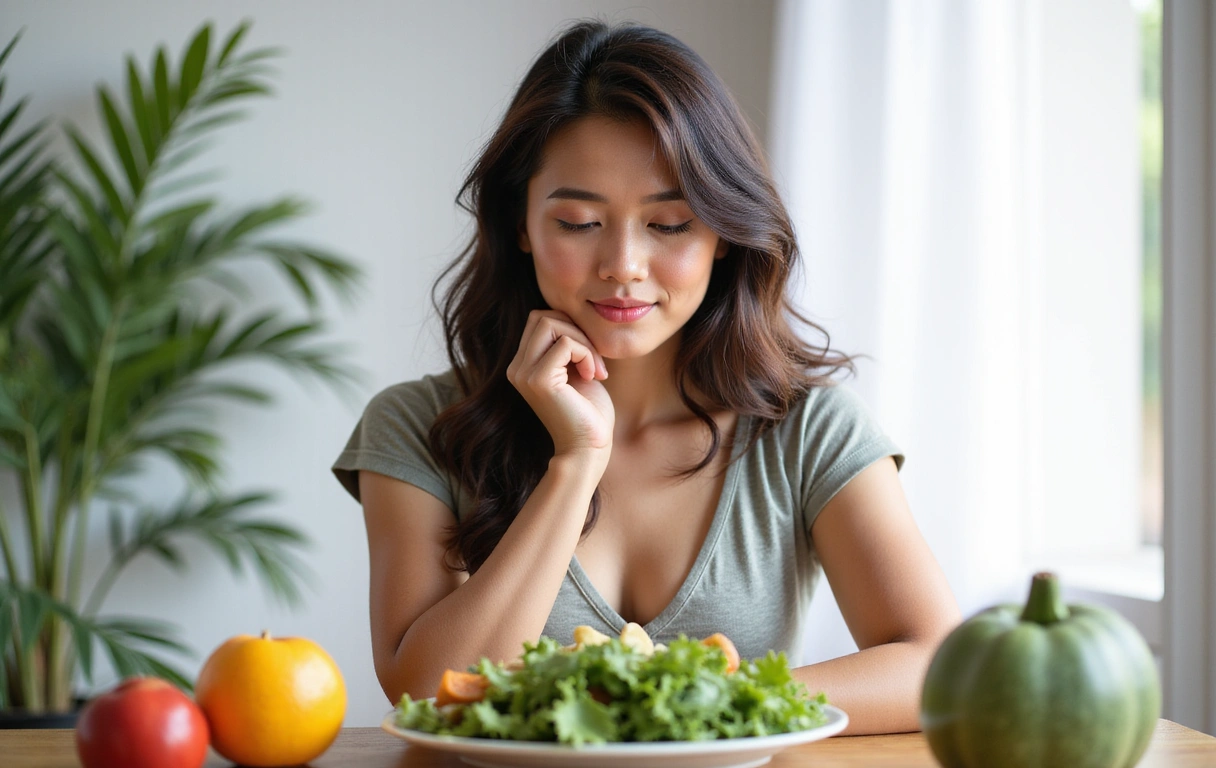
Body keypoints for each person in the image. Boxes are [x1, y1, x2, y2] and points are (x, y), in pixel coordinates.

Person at [333, 19, 960, 735]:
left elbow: (939, 663)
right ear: (520, 223)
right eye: (577, 222)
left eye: (669, 225)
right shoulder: (416, 426)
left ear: (723, 234)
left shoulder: (808, 429)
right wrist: (575, 464)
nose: (624, 264)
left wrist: (703, 701)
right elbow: (430, 691)